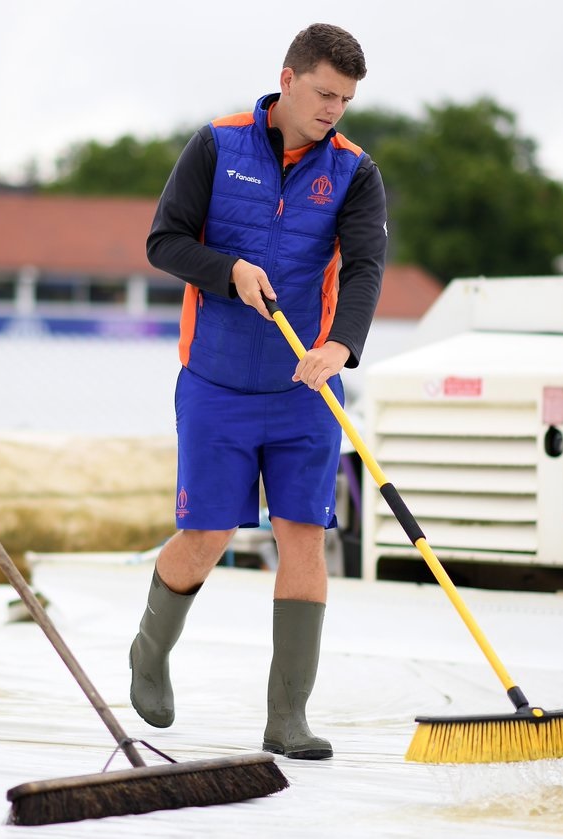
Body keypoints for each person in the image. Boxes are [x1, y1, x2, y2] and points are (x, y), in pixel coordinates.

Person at [127, 24, 388, 761]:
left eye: (347, 98)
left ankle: (287, 716)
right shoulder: (216, 143)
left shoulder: (355, 171)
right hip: (215, 379)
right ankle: (149, 649)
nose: (335, 108)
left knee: (304, 534)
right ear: (289, 78)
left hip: (306, 383)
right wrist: (228, 270)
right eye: (326, 93)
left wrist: (341, 346)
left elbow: (366, 266)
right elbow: (164, 242)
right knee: (207, 533)